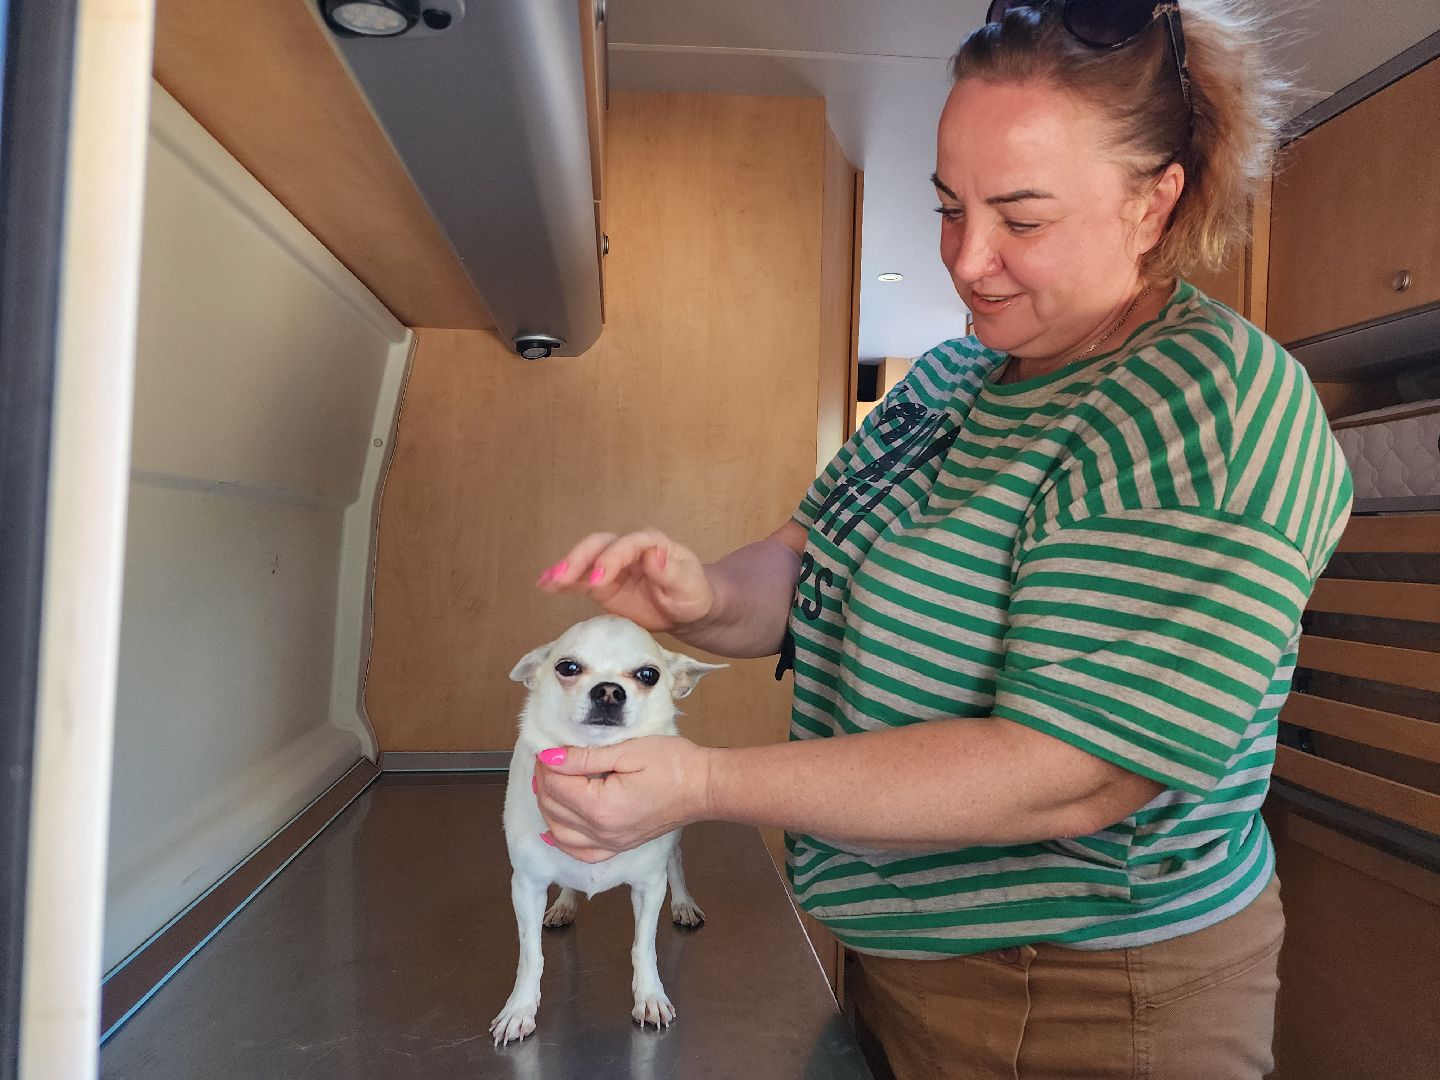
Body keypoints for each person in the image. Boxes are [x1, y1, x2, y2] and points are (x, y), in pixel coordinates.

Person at [529, 1, 1352, 1076]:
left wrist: (701, 784)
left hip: (1083, 990)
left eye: (1021, 218)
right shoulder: (955, 374)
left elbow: (1074, 771)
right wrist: (704, 599)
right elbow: (808, 558)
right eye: (949, 207)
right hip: (900, 950)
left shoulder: (1208, 403)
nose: (968, 259)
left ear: (1155, 203)